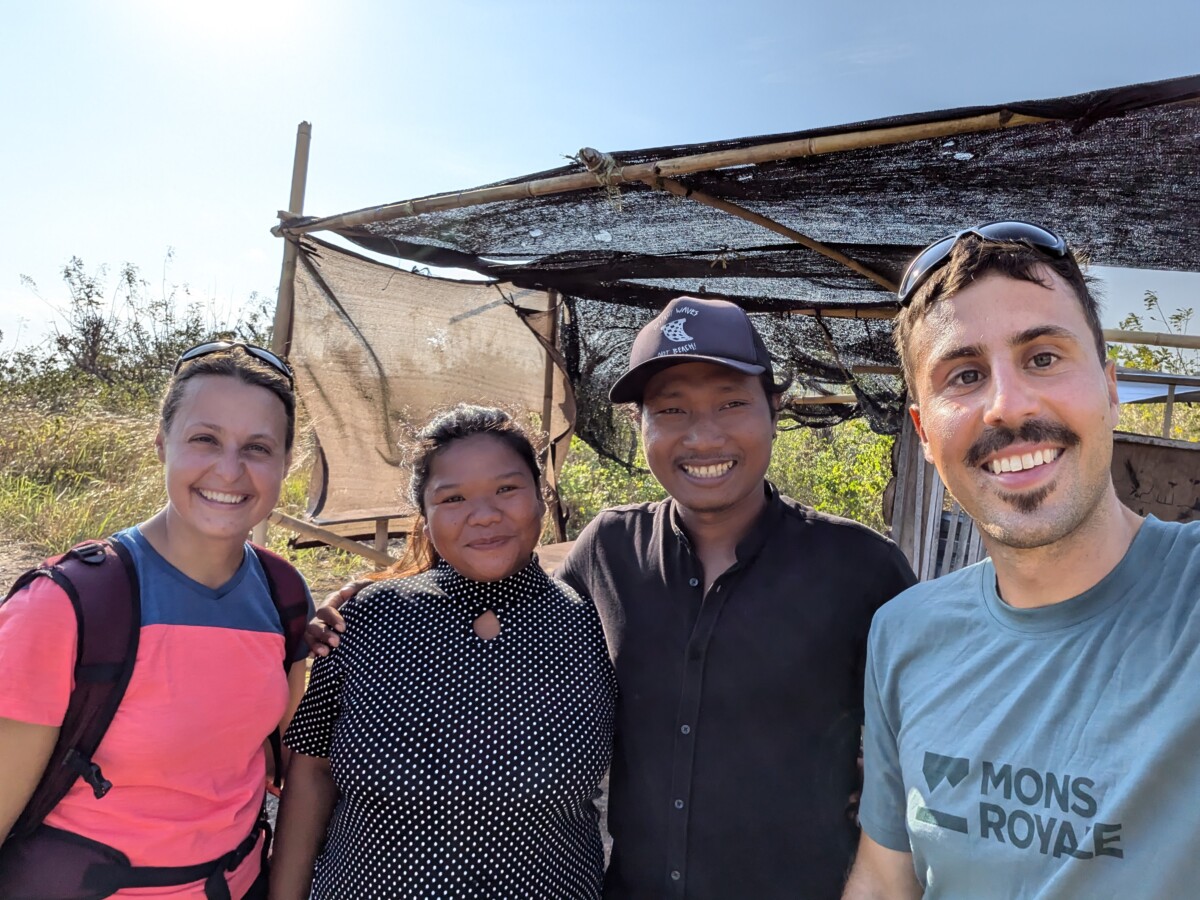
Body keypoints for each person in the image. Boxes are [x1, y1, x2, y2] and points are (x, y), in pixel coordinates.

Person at [312, 296, 917, 899]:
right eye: (671, 409)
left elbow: (923, 750)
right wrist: (386, 596)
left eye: (731, 403)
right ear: (639, 424)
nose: (703, 436)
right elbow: (514, 598)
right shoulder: (609, 551)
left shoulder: (862, 569)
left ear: (774, 408)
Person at [843, 222, 1200, 899]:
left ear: (1111, 389)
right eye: (965, 375)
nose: (1007, 405)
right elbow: (886, 877)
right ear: (924, 434)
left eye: (1043, 357)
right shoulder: (904, 633)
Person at [0, 342, 313, 899]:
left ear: (285, 464)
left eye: (258, 447)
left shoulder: (282, 592)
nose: (230, 470)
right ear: (161, 444)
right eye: (205, 439)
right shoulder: (65, 605)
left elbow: (281, 761)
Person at [270, 405, 617, 900]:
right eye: (452, 498)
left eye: (506, 489)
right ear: (425, 518)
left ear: (542, 498)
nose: (484, 515)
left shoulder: (591, 625)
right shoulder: (366, 618)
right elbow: (311, 770)